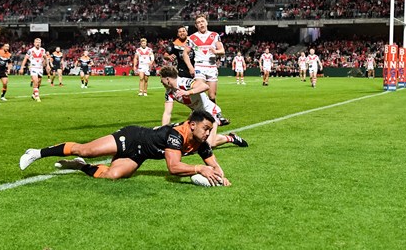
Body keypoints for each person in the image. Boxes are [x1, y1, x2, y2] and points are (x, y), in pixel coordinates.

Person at [19, 108, 231, 186]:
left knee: (112, 176)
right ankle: (37, 153)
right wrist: (198, 168)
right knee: (86, 149)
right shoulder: (176, 135)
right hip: (131, 138)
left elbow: (213, 163)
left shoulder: (200, 141)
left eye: (210, 129)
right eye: (205, 128)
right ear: (192, 125)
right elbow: (173, 168)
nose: (208, 133)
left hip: (139, 155)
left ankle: (79, 166)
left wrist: (221, 177)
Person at [158, 65, 247, 149]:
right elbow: (167, 113)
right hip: (197, 114)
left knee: (209, 144)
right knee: (189, 135)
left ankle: (230, 138)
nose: (161, 81)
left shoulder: (184, 82)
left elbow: (205, 86)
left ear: (167, 79)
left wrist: (188, 92)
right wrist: (163, 131)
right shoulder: (169, 93)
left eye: (161, 78)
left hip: (210, 111)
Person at [187, 16, 224, 101]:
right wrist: (190, 67)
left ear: (206, 22)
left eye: (202, 21)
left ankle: (213, 113)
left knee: (212, 96)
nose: (201, 23)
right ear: (196, 26)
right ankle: (198, 113)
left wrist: (215, 51)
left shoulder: (214, 35)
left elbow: (222, 50)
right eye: (198, 22)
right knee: (200, 92)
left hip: (211, 67)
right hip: (199, 66)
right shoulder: (192, 38)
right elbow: (185, 53)